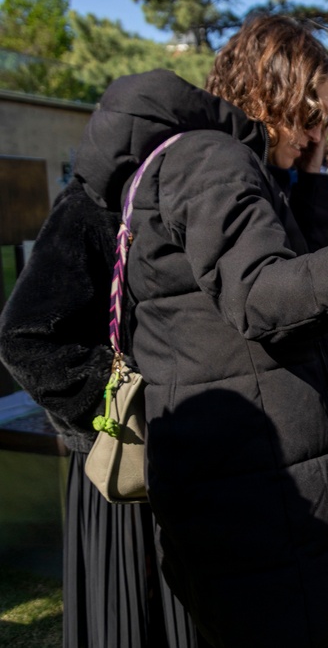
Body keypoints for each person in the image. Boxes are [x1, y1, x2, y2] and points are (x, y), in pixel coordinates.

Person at [65, 14, 328, 647]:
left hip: (247, 503)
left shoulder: (210, 160)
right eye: (313, 114)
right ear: (273, 92)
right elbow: (266, 298)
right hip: (260, 514)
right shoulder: (213, 159)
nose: (322, 132)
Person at [0, 179, 204, 648]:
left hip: (184, 465)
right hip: (123, 469)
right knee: (136, 625)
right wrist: (120, 412)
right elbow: (26, 338)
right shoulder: (96, 200)